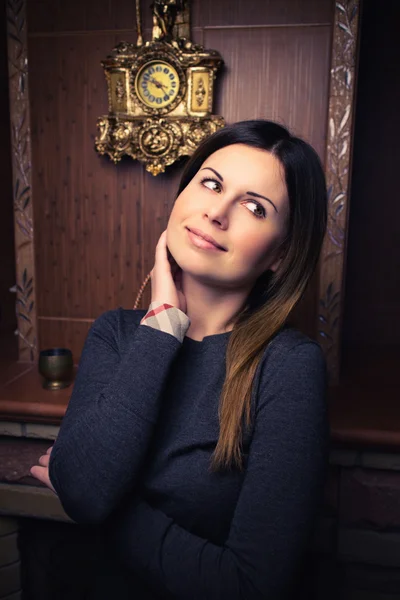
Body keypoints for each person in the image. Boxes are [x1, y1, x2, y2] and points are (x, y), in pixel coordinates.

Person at [31, 119, 329, 599]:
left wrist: (112, 508)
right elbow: (84, 488)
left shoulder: (289, 367)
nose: (216, 211)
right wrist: (164, 325)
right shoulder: (117, 332)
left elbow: (252, 585)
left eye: (254, 207)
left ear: (282, 252)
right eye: (211, 183)